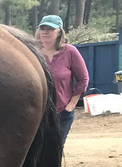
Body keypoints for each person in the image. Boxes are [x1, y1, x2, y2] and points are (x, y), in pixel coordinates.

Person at [35, 14, 89, 144]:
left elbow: (83, 79)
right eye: (43, 28)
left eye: (50, 29)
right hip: (38, 112)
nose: (46, 32)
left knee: (55, 149)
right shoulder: (33, 52)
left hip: (61, 113)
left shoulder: (70, 52)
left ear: (59, 31)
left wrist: (71, 105)